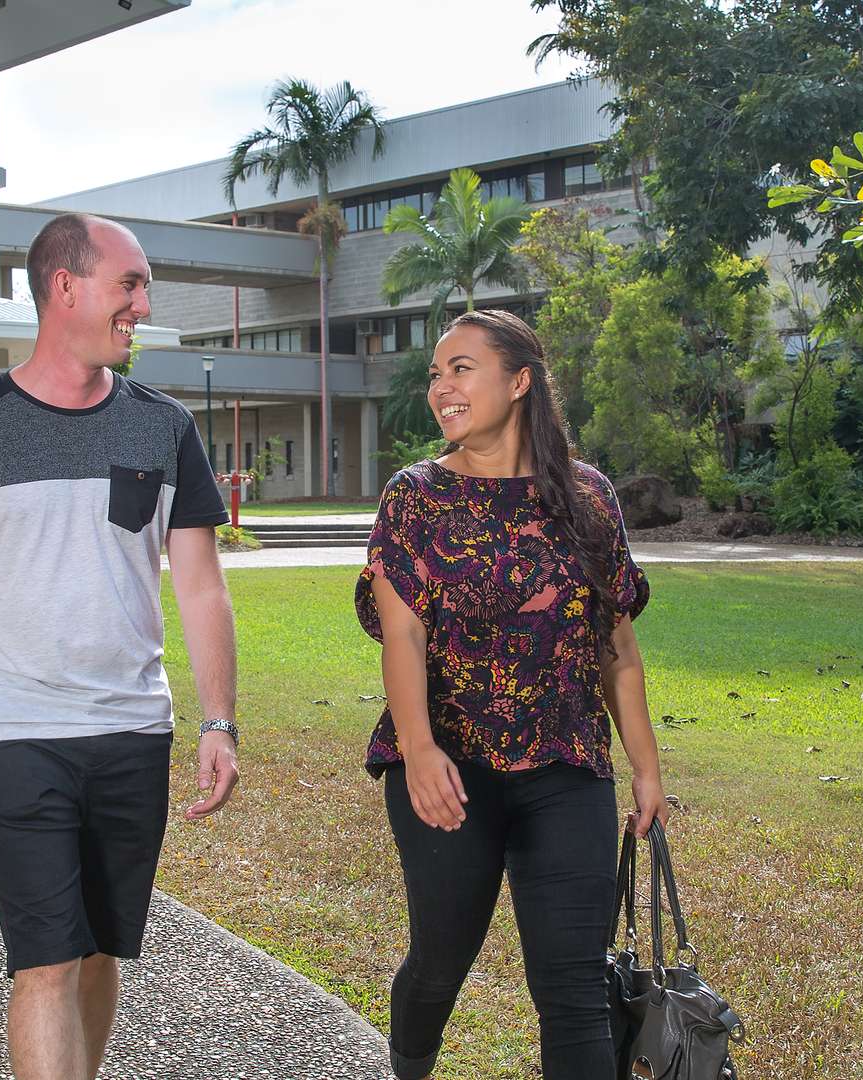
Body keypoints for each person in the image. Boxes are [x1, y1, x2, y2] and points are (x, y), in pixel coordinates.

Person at [0, 213, 241, 1080]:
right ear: (65, 287)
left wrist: (219, 721)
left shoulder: (164, 428)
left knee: (95, 955)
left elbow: (200, 585)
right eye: (130, 284)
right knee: (43, 960)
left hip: (131, 728)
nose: (142, 306)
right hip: (13, 732)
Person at [357, 309, 669, 1080]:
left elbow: (617, 649)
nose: (442, 387)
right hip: (448, 768)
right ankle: (408, 1066)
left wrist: (647, 770)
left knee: (573, 989)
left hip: (565, 765)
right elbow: (403, 636)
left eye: (461, 368)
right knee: (440, 961)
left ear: (519, 380)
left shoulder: (590, 497)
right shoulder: (416, 497)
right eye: (436, 373)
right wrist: (421, 750)